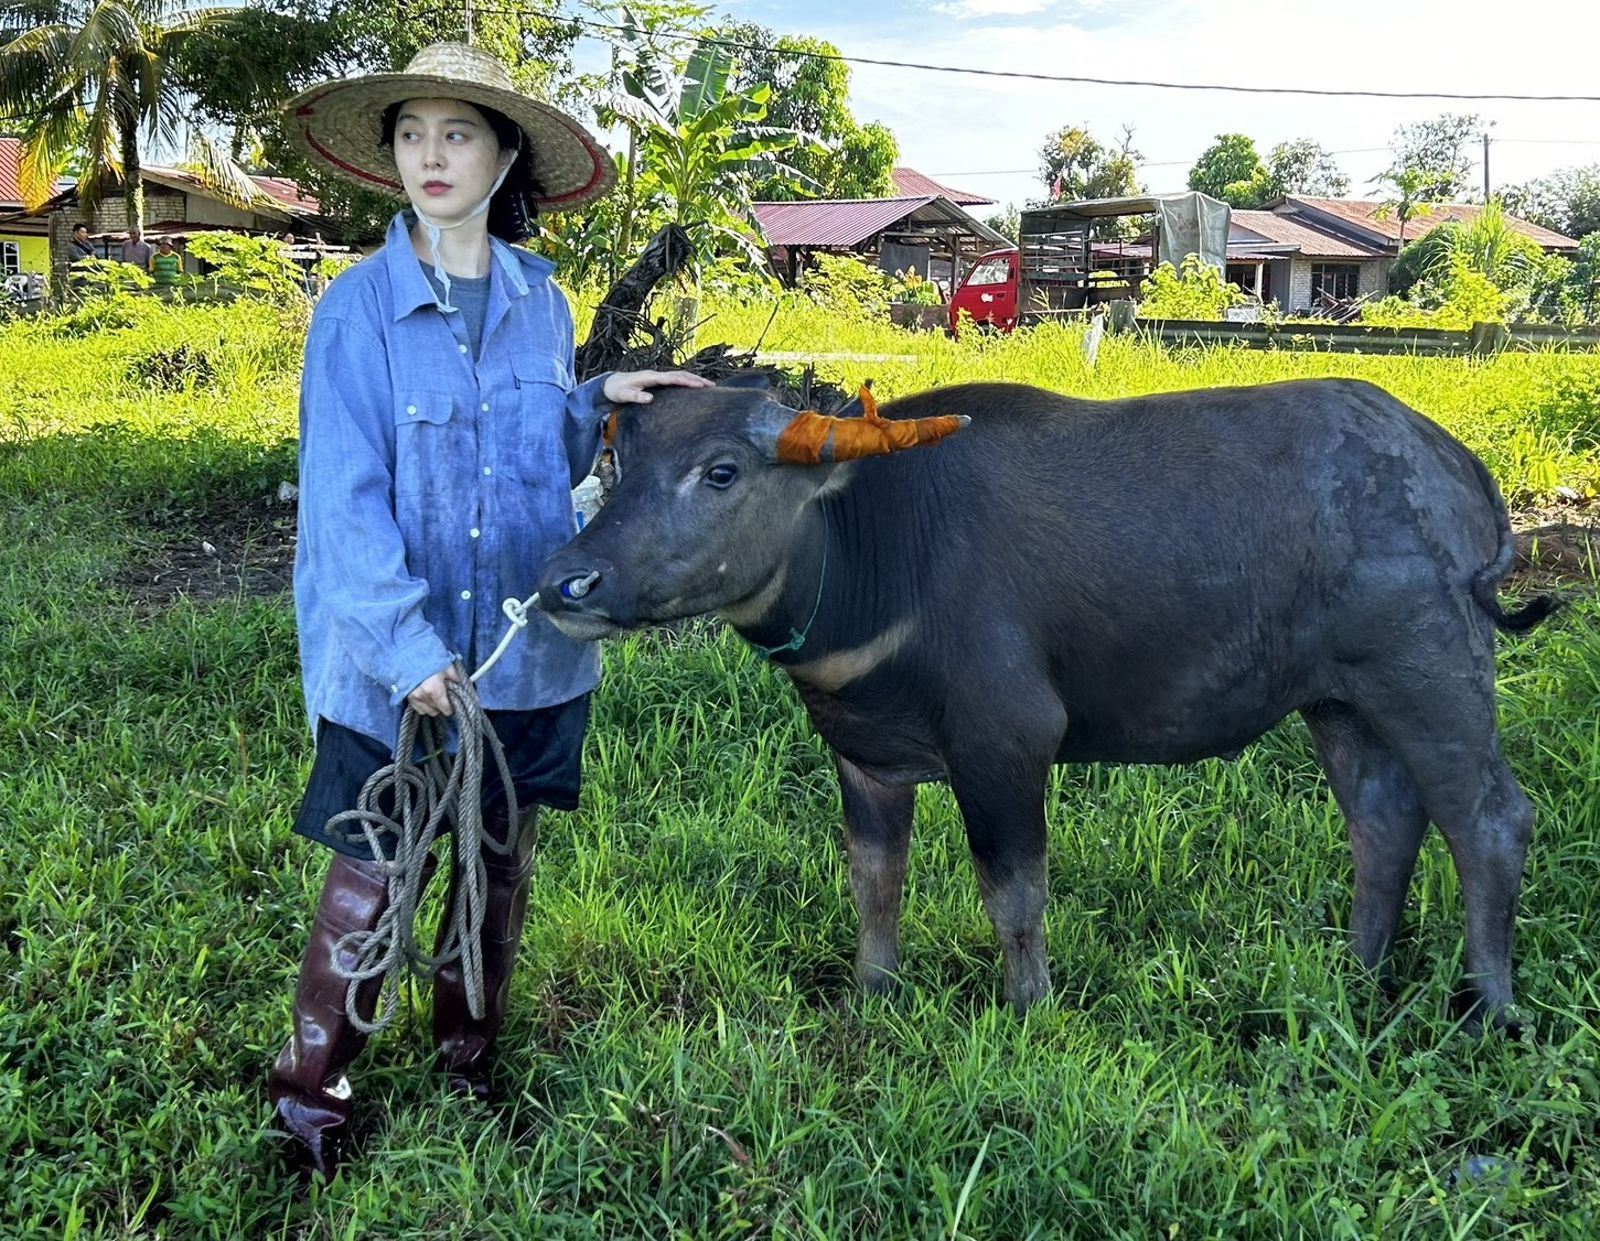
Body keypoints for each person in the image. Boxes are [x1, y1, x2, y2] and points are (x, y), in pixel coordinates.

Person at [271, 42, 709, 1177]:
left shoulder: (540, 301)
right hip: (400, 667)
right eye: (411, 133)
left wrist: (593, 400)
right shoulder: (354, 315)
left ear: (504, 152)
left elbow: (527, 459)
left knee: (496, 862)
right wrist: (409, 649)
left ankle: (469, 1061)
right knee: (377, 868)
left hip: (523, 656)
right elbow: (343, 506)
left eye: (457, 133)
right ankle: (311, 1096)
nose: (431, 155)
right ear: (391, 154)